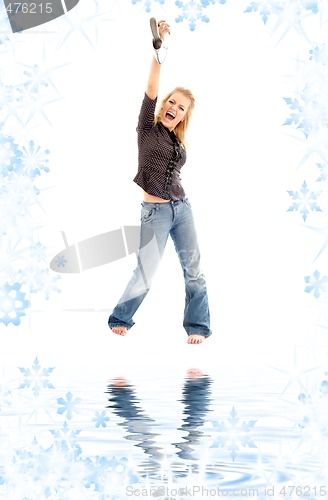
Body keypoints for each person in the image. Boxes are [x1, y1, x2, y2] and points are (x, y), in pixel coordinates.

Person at [108, 19, 211, 344]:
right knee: (145, 275)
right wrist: (159, 50)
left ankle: (197, 327)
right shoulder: (146, 129)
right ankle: (120, 317)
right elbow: (151, 89)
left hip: (183, 209)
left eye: (180, 108)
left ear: (183, 116)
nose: (174, 108)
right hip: (155, 214)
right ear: (164, 105)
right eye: (172, 102)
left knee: (194, 270)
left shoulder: (179, 141)